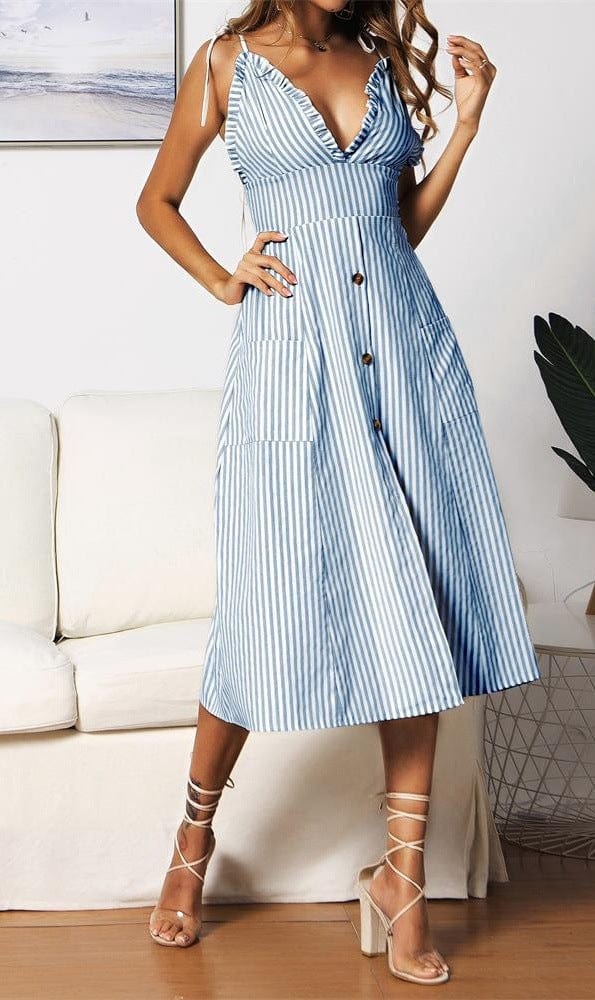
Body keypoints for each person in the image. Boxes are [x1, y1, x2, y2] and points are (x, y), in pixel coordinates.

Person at [136, 0, 540, 985]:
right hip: (292, 366)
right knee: (258, 607)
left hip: (404, 360)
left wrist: (466, 126)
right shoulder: (226, 63)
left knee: (415, 608)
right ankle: (192, 842)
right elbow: (157, 201)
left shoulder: (378, 61)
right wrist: (222, 278)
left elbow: (397, 229)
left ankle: (402, 877)